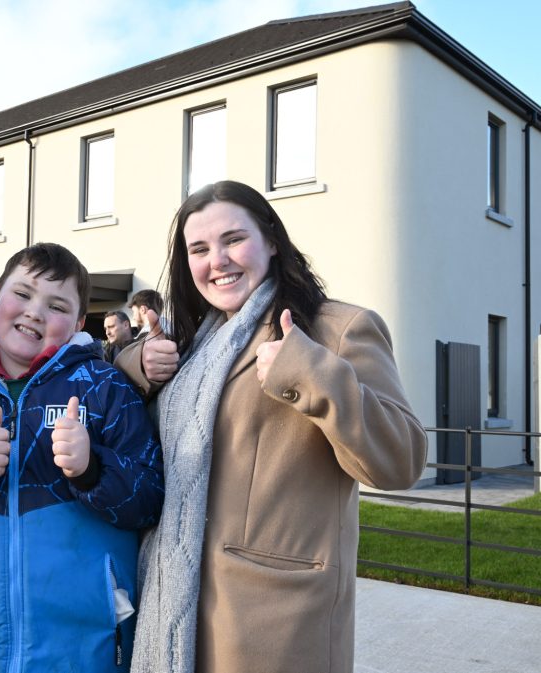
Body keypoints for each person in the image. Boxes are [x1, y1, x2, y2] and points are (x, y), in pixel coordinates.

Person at [116, 180, 427, 673]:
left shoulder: (339, 328)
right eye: (199, 248)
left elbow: (402, 460)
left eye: (233, 239)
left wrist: (311, 373)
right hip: (175, 604)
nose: (217, 260)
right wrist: (138, 364)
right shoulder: (195, 342)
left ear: (272, 241)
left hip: (273, 623)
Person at [0, 243, 164, 673]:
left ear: (78, 321)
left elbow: (149, 499)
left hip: (83, 645)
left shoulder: (105, 388)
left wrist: (92, 470)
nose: (35, 311)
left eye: (56, 305)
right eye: (23, 294)